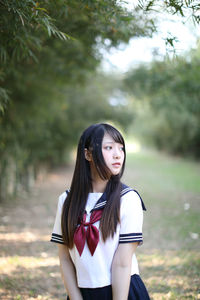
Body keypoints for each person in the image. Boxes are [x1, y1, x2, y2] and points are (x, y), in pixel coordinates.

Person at [50, 123, 150, 300]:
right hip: (81, 293)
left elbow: (122, 263)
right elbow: (65, 258)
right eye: (109, 147)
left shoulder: (128, 199)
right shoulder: (66, 201)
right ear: (88, 154)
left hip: (122, 291)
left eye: (121, 148)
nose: (118, 154)